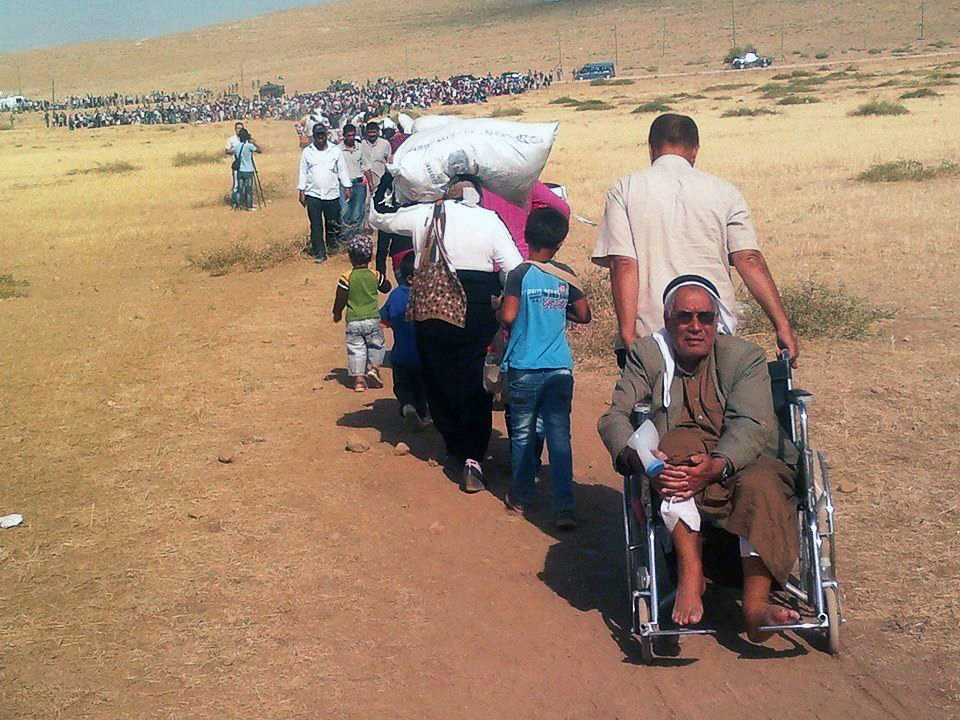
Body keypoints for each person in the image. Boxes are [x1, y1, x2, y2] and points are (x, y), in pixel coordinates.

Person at [597, 276, 801, 642]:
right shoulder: (648, 354)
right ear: (668, 318)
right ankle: (691, 574)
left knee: (762, 483)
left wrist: (719, 465)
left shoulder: (744, 357)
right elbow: (614, 417)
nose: (695, 327)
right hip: (681, 461)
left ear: (716, 320)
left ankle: (755, 609)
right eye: (685, 317)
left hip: (745, 457)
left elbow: (752, 424)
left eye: (705, 317)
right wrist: (642, 459)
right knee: (674, 448)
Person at [591, 113, 799, 369]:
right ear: (695, 150)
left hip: (650, 333)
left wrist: (627, 333)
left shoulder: (624, 189)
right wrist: (782, 326)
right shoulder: (725, 191)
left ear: (651, 148)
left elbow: (623, 263)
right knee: (713, 406)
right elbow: (749, 259)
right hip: (711, 331)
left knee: (650, 408)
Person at [370, 178, 522, 492]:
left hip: (433, 303)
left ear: (445, 189)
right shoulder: (489, 219)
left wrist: (388, 178)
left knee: (438, 374)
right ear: (477, 193)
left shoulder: (425, 213)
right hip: (478, 306)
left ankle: (454, 445)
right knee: (474, 379)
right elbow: (513, 268)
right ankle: (473, 458)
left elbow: (378, 217)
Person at [498, 208, 591, 530]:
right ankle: (564, 506)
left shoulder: (519, 274)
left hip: (525, 366)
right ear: (561, 241)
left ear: (526, 236)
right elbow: (584, 314)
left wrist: (503, 308)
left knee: (523, 433)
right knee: (559, 437)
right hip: (560, 368)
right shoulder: (565, 275)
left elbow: (509, 317)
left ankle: (523, 495)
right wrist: (558, 310)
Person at [332, 236, 392, 393]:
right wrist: (381, 276)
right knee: (377, 345)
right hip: (372, 319)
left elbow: (341, 298)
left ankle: (359, 381)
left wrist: (337, 312)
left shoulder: (346, 277)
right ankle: (375, 369)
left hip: (353, 321)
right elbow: (386, 287)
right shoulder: (374, 275)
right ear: (370, 256)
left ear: (350, 257)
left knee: (356, 348)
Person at [380, 253, 429, 431]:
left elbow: (383, 317)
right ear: (411, 278)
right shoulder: (428, 296)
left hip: (400, 355)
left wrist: (394, 324)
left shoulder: (395, 295)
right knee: (422, 388)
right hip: (423, 356)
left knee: (403, 386)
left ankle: (406, 406)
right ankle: (423, 415)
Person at [298, 124, 352, 262]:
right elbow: (303, 172)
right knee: (316, 225)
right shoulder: (307, 152)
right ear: (313, 136)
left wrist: (347, 187)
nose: (320, 137)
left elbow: (342, 170)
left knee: (332, 223)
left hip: (331, 194)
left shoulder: (335, 150)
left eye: (322, 134)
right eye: (317, 135)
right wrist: (301, 190)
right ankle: (319, 253)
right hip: (313, 194)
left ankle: (332, 248)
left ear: (326, 134)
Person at [373, 172, 414, 283]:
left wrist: (381, 274)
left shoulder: (390, 213)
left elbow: (382, 245)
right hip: (420, 254)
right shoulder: (420, 181)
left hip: (400, 255)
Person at [337, 123, 366, 237]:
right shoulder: (338, 150)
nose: (351, 138)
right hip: (344, 184)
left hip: (358, 183)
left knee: (357, 212)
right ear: (344, 136)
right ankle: (344, 238)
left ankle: (356, 238)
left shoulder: (360, 147)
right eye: (348, 135)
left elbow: (365, 164)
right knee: (344, 211)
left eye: (353, 135)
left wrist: (365, 177)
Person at [360, 121, 392, 193]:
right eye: (370, 132)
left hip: (380, 178)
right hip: (365, 179)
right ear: (366, 133)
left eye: (374, 132)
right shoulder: (362, 144)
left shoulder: (385, 144)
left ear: (378, 132)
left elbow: (389, 160)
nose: (372, 135)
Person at [232, 128, 260, 212]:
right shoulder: (249, 146)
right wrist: (254, 143)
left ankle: (238, 205)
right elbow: (259, 150)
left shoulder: (236, 146)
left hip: (240, 171)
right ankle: (249, 206)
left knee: (240, 189)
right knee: (249, 189)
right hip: (248, 170)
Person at [224, 121, 245, 209]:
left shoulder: (245, 139)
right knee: (236, 185)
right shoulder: (231, 139)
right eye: (238, 128)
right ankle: (234, 203)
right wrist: (234, 151)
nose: (239, 130)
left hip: (245, 165)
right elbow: (226, 150)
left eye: (241, 128)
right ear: (235, 129)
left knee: (243, 185)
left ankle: (242, 202)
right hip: (236, 165)